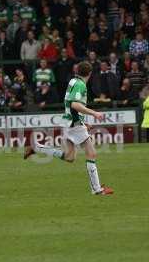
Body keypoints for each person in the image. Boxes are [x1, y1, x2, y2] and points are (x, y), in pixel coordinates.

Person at [24, 61, 113, 196]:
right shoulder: (81, 85)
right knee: (92, 153)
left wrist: (84, 122)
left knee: (69, 157)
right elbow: (75, 105)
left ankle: (37, 147)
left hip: (69, 122)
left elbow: (71, 105)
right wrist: (94, 113)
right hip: (74, 124)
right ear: (90, 73)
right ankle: (97, 189)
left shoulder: (73, 81)